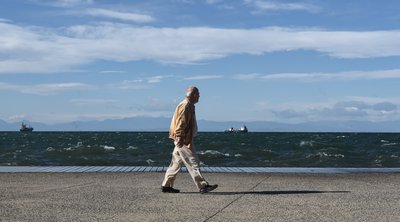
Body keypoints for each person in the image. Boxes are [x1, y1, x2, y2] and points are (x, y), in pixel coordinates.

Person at [161, 86, 218, 194]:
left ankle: (166, 185)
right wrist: (180, 137)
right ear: (193, 95)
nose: (199, 96)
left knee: (176, 163)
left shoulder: (189, 105)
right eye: (198, 94)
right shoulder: (186, 105)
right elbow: (180, 123)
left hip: (183, 139)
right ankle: (202, 186)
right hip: (183, 140)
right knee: (193, 161)